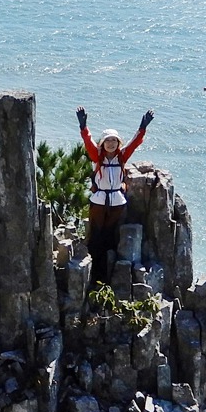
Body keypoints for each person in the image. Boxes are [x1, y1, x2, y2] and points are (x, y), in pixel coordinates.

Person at [76, 106, 154, 283]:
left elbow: (134, 143)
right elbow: (88, 142)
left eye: (114, 140)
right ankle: (94, 269)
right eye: (108, 140)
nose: (111, 143)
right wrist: (83, 127)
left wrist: (142, 128)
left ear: (118, 143)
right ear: (102, 143)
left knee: (111, 234)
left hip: (116, 202)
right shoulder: (97, 157)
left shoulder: (121, 157)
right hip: (99, 200)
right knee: (96, 233)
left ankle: (108, 271)